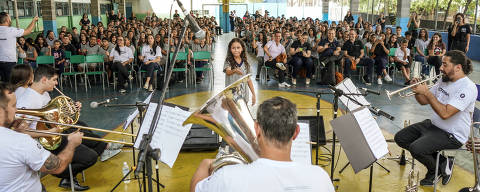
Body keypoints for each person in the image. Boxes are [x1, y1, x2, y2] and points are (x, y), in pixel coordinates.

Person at [190, 97, 335, 192]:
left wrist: (206, 163)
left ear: (257, 129)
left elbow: (195, 189)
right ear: (296, 132)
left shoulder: (226, 177)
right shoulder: (320, 178)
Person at [16, 65, 122, 190]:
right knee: (91, 157)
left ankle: (73, 173)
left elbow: (55, 115)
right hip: (47, 140)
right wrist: (50, 132)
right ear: (44, 80)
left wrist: (73, 108)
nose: (56, 83)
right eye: (54, 80)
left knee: (88, 133)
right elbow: (21, 132)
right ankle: (63, 173)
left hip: (56, 130)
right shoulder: (27, 100)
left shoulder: (43, 93)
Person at [394, 50, 477, 186]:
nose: (440, 68)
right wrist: (417, 90)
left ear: (458, 67)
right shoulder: (444, 79)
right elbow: (423, 101)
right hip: (433, 125)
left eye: (445, 65)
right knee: (401, 138)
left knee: (416, 148)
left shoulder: (467, 88)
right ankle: (444, 162)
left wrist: (426, 92)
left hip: (452, 134)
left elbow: (445, 114)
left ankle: (435, 170)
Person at [0, 82, 84, 192]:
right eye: (13, 105)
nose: (16, 110)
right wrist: (72, 144)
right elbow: (58, 167)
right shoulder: (20, 141)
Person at [0, 12, 38, 82]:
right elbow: (28, 31)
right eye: (10, 18)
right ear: (7, 20)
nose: (11, 20)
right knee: (11, 83)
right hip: (9, 62)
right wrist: (34, 21)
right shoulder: (11, 30)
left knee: (3, 84)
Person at [223, 38, 256, 106]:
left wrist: (253, 94)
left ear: (242, 49)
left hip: (244, 95)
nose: (236, 50)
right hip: (231, 95)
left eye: (238, 48)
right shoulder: (228, 61)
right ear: (230, 49)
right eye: (233, 48)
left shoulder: (246, 63)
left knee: (242, 115)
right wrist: (234, 70)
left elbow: (248, 80)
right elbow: (228, 72)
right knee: (231, 116)